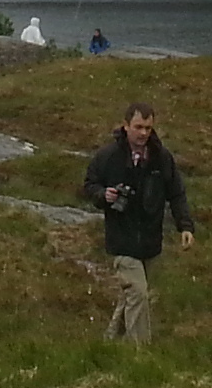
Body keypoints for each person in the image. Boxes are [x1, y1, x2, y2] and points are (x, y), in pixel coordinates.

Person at [80, 101, 193, 342]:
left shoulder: (162, 158)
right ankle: (140, 353)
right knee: (139, 294)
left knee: (132, 295)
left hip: (151, 242)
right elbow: (89, 185)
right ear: (126, 126)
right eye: (138, 127)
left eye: (148, 128)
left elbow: (176, 193)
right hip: (121, 240)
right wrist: (104, 195)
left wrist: (185, 226)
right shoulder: (108, 156)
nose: (143, 133)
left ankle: (110, 340)